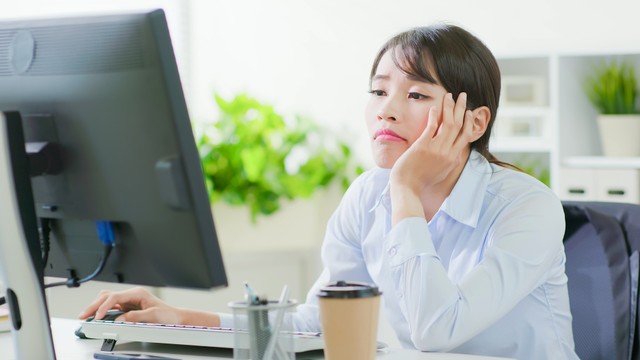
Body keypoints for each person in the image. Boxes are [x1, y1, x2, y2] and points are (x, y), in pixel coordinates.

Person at [80, 24, 578, 359]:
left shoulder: (527, 208)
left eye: (417, 94)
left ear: (474, 121)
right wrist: (179, 320)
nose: (386, 110)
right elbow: (316, 324)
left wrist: (405, 187)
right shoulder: (368, 197)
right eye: (379, 91)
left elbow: (437, 329)